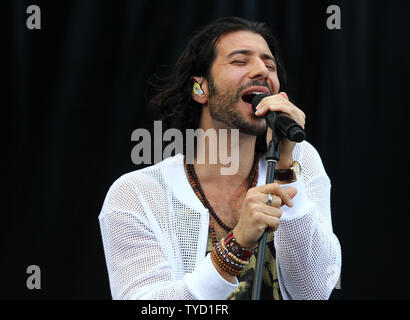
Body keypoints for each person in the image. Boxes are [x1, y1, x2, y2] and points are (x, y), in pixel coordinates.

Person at [99, 17, 341, 300]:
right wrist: (236, 246)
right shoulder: (137, 194)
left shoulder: (300, 160)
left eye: (270, 65)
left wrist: (286, 172)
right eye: (240, 61)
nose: (262, 70)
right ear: (200, 89)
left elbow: (312, 292)